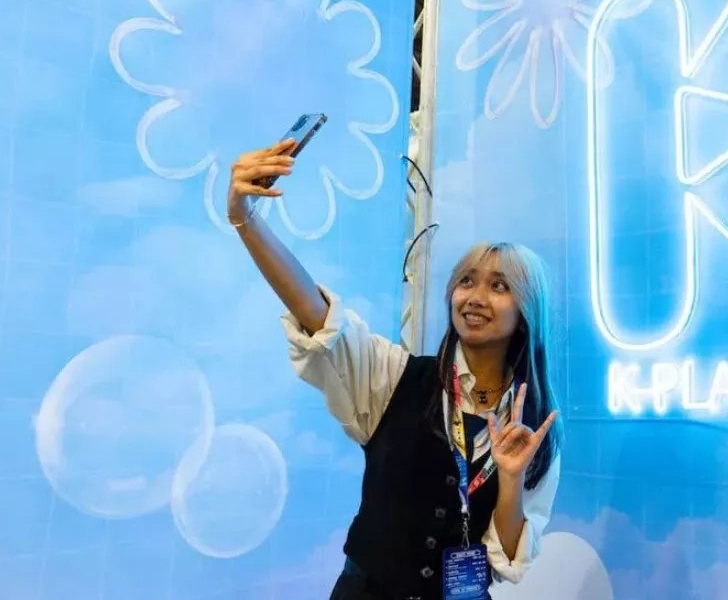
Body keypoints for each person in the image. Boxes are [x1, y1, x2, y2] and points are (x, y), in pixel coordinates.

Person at [227, 139, 563, 600]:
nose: (475, 296)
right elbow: (316, 313)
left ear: (526, 313)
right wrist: (245, 219)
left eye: (499, 286)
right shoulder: (394, 376)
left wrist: (509, 481)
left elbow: (505, 560)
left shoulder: (532, 429)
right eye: (466, 280)